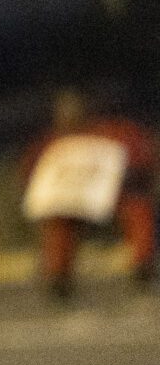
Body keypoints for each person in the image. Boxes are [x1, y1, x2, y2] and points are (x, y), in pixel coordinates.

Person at [20, 89, 158, 301]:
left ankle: (143, 265)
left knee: (137, 209)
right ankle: (58, 276)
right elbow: (32, 173)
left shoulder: (113, 132)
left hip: (112, 196)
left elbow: (142, 158)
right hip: (72, 202)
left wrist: (127, 177)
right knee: (59, 224)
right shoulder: (51, 141)